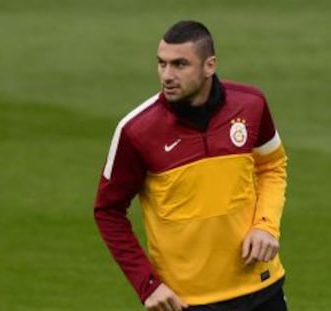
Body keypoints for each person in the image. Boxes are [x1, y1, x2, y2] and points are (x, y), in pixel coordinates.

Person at [94, 20, 288, 311]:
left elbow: (272, 166)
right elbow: (108, 211)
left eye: (180, 65)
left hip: (262, 286)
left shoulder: (251, 105)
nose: (167, 75)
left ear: (209, 66)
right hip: (188, 302)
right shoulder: (137, 131)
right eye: (162, 64)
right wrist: (147, 284)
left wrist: (266, 226)